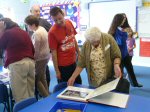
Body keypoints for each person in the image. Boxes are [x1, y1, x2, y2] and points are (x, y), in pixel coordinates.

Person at [68, 27, 130, 94]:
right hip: (94, 80)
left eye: (97, 41)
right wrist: (73, 77)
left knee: (108, 97)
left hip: (108, 78)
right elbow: (81, 63)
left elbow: (116, 55)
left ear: (100, 36)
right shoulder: (86, 44)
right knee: (96, 98)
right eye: (92, 42)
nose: (95, 44)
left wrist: (116, 65)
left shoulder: (108, 39)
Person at [0, 18, 35, 102]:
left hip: (18, 65)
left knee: (20, 96)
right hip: (30, 63)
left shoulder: (7, 33)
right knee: (30, 93)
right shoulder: (23, 32)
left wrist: (1, 31)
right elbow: (33, 49)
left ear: (4, 25)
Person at [108, 13, 142, 87]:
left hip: (126, 53)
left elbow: (132, 36)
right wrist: (124, 33)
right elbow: (120, 42)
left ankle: (135, 83)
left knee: (130, 69)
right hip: (118, 55)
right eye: (123, 20)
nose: (124, 21)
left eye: (125, 20)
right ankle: (119, 86)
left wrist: (131, 33)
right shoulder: (113, 30)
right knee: (120, 72)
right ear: (118, 20)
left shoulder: (126, 28)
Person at [48, 7, 81, 84]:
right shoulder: (52, 32)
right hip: (63, 66)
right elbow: (53, 53)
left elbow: (74, 39)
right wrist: (57, 71)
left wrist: (79, 53)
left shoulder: (69, 23)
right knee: (66, 88)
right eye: (55, 20)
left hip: (73, 62)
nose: (58, 21)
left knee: (78, 83)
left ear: (63, 14)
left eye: (60, 18)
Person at [25, 15, 50, 97]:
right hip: (45, 57)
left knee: (36, 80)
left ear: (32, 25)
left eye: (28, 25)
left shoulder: (37, 33)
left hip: (40, 59)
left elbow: (36, 50)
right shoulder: (42, 28)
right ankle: (48, 95)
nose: (27, 27)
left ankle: (46, 96)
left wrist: (33, 59)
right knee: (42, 78)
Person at [30, 4, 51, 88]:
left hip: (41, 55)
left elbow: (52, 33)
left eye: (39, 11)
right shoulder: (28, 23)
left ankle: (46, 92)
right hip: (37, 54)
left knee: (42, 77)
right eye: (36, 11)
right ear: (31, 12)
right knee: (42, 77)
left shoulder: (43, 22)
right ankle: (45, 94)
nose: (38, 13)